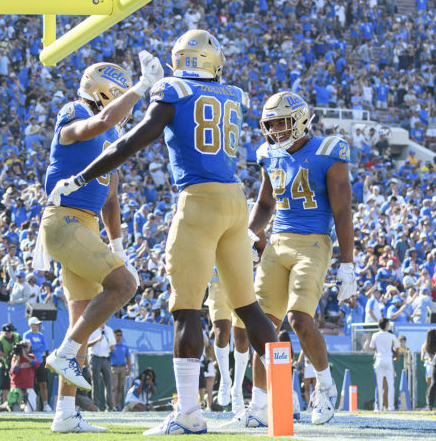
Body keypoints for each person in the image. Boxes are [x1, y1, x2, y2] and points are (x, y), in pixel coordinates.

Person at [48, 29, 279, 435]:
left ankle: (189, 413)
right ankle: (274, 405)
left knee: (186, 309)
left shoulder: (173, 89)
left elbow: (132, 142)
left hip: (199, 202)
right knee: (250, 309)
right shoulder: (235, 94)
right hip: (234, 200)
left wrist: (82, 177)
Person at [40, 53, 163, 433]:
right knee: (124, 285)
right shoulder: (74, 112)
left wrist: (120, 246)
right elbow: (102, 121)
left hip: (88, 227)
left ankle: (64, 414)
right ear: (104, 90)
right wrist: (143, 88)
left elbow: (111, 198)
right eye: (121, 93)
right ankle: (62, 355)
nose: (125, 101)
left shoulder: (109, 133)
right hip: (64, 221)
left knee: (82, 323)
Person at [232, 91, 355, 426]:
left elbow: (343, 210)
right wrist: (248, 232)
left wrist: (347, 264)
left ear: (300, 119)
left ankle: (326, 387)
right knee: (262, 325)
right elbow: (266, 204)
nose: (276, 131)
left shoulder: (328, 151)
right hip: (277, 242)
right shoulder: (269, 154)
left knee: (300, 320)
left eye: (282, 123)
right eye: (270, 125)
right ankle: (259, 405)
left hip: (314, 241)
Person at [205, 269, 249, 414]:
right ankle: (225, 379)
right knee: (220, 331)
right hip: (217, 279)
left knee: (241, 337)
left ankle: (237, 389)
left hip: (240, 279)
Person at [370, 318, 399, 411]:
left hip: (379, 359)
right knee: (390, 385)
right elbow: (397, 347)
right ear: (386, 325)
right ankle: (391, 406)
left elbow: (372, 348)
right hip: (388, 359)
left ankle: (379, 406)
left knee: (378, 385)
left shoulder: (375, 335)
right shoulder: (391, 336)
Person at [23, 317, 52, 412]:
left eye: (38, 324)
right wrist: (38, 347)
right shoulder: (26, 335)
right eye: (36, 324)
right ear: (31, 325)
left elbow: (45, 347)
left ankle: (45, 405)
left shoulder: (41, 335)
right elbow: (28, 348)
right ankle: (30, 405)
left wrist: (35, 347)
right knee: (30, 385)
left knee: (43, 383)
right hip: (30, 363)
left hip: (40, 362)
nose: (38, 326)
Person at [87, 323, 116, 411]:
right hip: (95, 358)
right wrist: (97, 340)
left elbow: (112, 346)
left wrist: (111, 346)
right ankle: (96, 405)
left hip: (106, 358)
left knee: (108, 383)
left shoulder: (109, 330)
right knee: (95, 383)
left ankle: (110, 406)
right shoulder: (92, 329)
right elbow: (87, 344)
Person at [0, 323, 20, 405]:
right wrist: (7, 356)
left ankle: (17, 403)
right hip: (6, 364)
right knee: (5, 386)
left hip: (17, 363)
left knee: (18, 384)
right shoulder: (1, 339)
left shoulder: (17, 337)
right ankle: (5, 404)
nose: (7, 334)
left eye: (9, 332)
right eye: (5, 332)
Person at [421, 329, 436, 410]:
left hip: (429, 366)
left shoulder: (425, 345)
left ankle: (429, 405)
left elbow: (422, 358)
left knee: (429, 386)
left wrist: (428, 358)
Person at [111, 329, 131, 411]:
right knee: (113, 388)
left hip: (123, 368)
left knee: (120, 388)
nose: (119, 337)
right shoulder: (112, 346)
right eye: (117, 335)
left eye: (120, 335)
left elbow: (128, 358)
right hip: (114, 368)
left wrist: (128, 369)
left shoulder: (125, 347)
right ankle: (112, 405)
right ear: (114, 336)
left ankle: (117, 405)